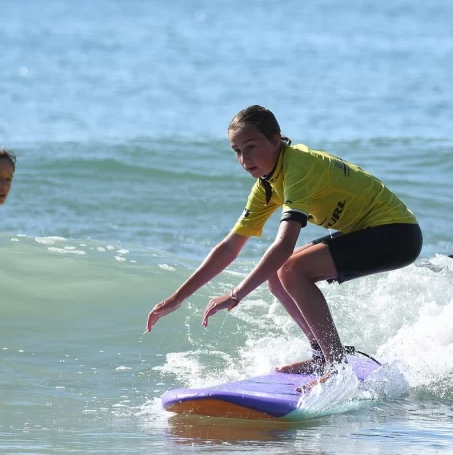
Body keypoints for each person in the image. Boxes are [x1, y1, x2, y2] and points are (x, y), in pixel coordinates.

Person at [146, 105, 423, 386]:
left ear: (276, 140)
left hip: (397, 234)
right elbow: (230, 247)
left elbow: (284, 246)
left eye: (251, 147)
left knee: (290, 268)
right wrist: (178, 297)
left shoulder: (299, 166)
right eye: (237, 151)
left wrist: (236, 293)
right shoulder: (267, 184)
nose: (244, 158)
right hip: (370, 232)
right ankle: (322, 356)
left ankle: (336, 365)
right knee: (277, 275)